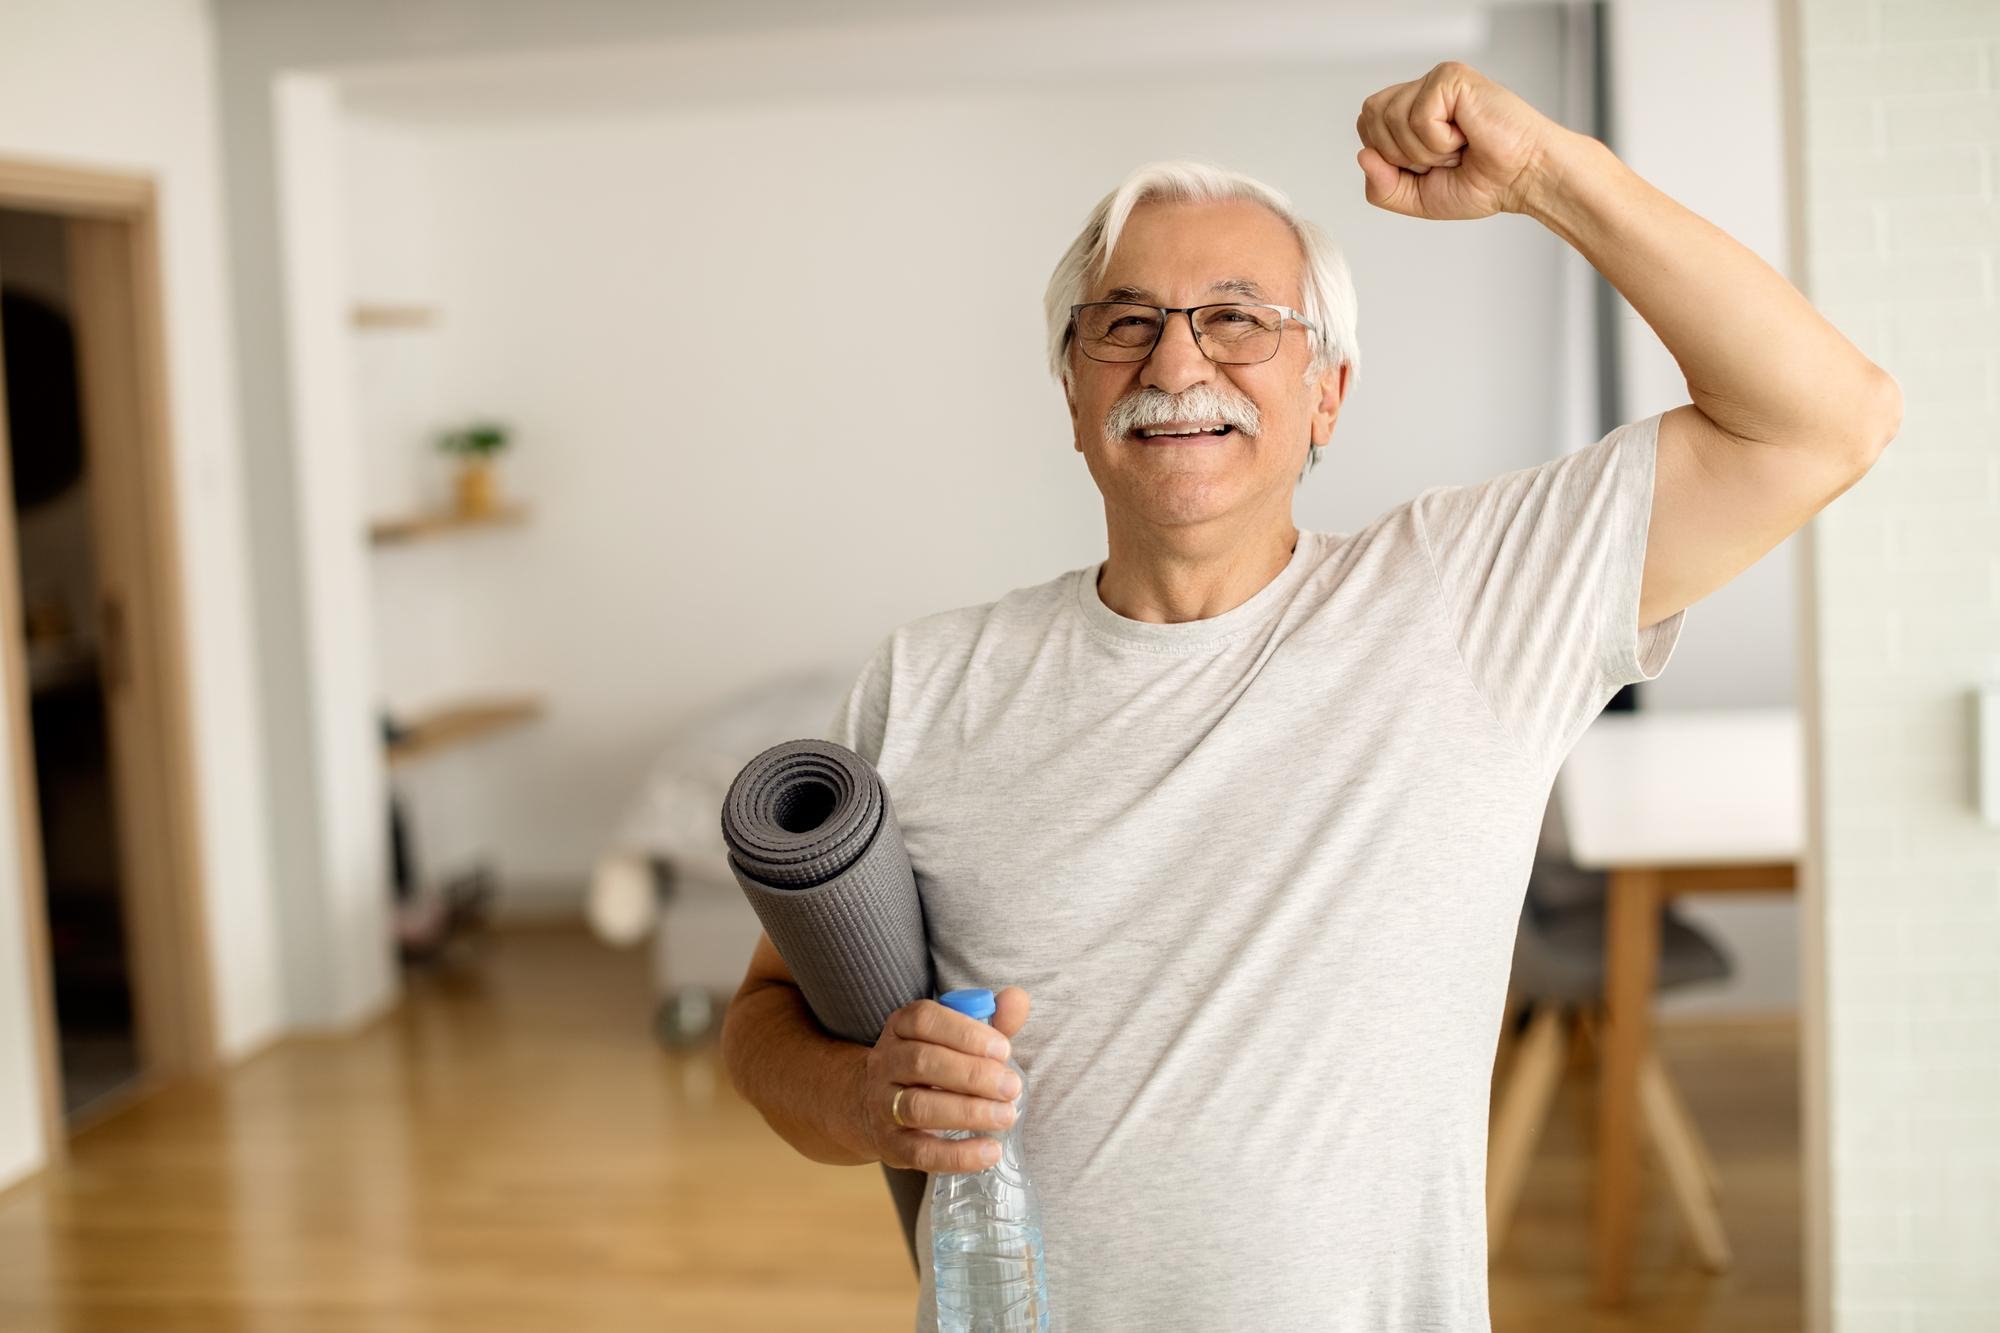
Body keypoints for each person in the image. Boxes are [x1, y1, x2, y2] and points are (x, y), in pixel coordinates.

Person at [719, 60, 1900, 1332]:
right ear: (1072, 394)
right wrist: (863, 1100)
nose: (1175, 356)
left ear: (1325, 391)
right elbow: (761, 1024)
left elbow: (1825, 418)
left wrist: (1549, 175)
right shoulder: (929, 680)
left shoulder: (1467, 600)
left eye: (1237, 319)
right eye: (1123, 321)